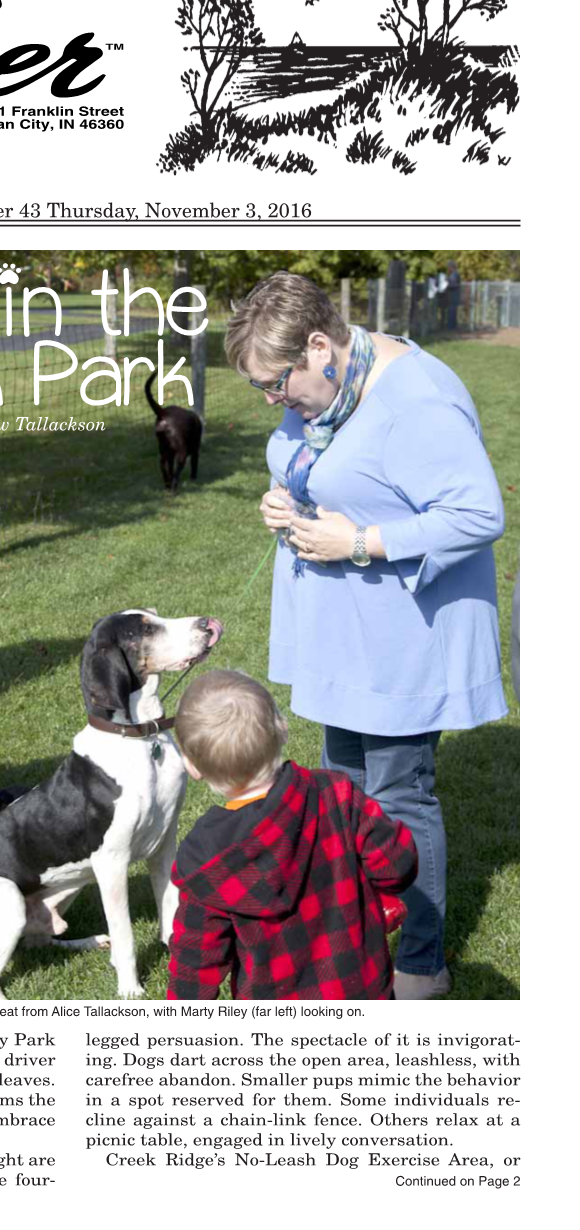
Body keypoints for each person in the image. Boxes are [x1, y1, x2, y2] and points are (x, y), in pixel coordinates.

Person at [226, 271, 507, 999]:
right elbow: (311, 452)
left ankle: (421, 964)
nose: (270, 400)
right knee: (345, 789)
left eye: (274, 382)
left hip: (403, 639)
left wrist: (363, 542)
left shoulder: (416, 401)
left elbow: (477, 513)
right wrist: (285, 493)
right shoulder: (332, 390)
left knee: (398, 797)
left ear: (320, 346)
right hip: (348, 635)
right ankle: (354, 932)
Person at [166, 670, 418, 1000]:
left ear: (192, 766)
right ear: (282, 728)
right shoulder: (336, 795)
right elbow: (397, 865)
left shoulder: (206, 859)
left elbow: (195, 962)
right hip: (363, 988)